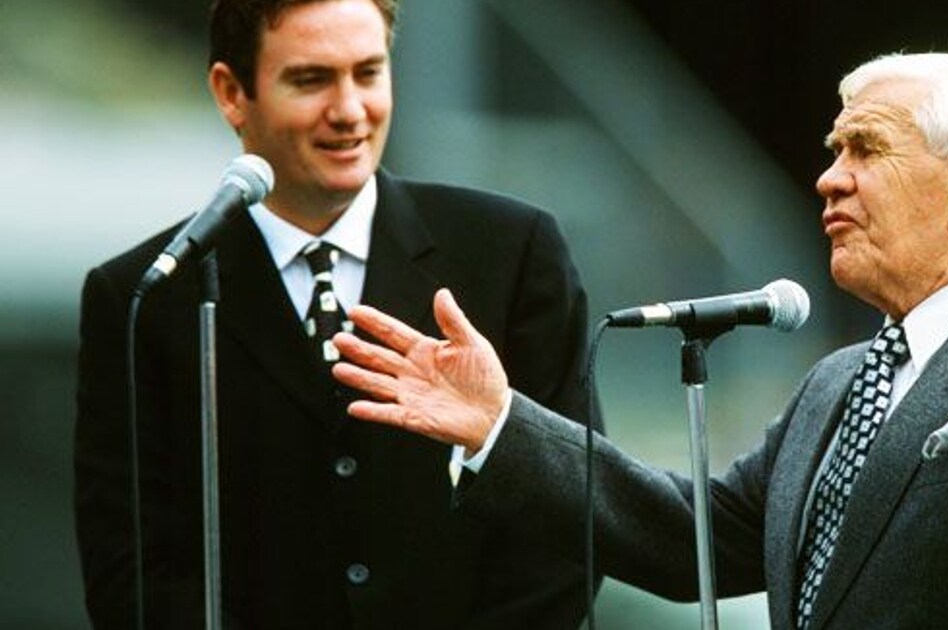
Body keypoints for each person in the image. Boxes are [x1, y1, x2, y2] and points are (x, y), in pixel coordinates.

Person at [330, 52, 948, 629]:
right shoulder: (837, 384)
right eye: (834, 150)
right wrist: (502, 427)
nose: (829, 177)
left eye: (865, 149)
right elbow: (688, 538)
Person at [73, 0, 596, 628]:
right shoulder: (146, 295)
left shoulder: (514, 253)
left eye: (368, 72)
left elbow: (571, 522)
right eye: (311, 79)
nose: (349, 110)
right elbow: (131, 570)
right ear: (232, 93)